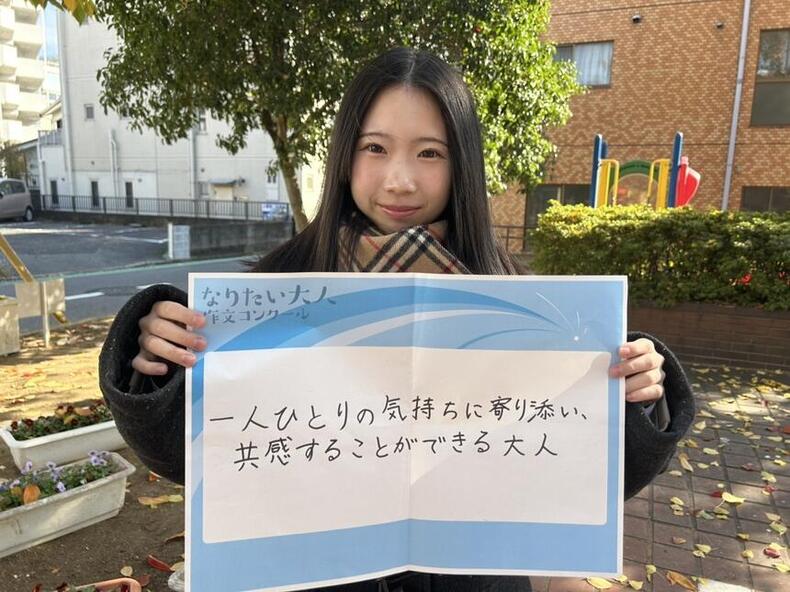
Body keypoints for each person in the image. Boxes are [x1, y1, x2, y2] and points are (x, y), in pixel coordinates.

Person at [100, 47, 694, 592]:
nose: (400, 180)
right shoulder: (270, 292)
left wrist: (636, 400)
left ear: (462, 165)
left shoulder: (525, 303)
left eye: (430, 153)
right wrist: (157, 365)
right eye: (375, 148)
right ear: (345, 156)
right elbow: (187, 463)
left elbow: (580, 485)